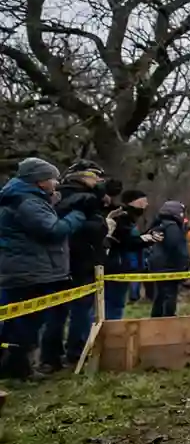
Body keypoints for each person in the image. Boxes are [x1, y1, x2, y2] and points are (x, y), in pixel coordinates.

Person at [0, 158, 89, 379]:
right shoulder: (27, 203)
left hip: (26, 269)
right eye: (52, 179)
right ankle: (19, 368)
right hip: (28, 272)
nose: (56, 183)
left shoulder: (25, 199)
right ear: (39, 181)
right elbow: (52, 230)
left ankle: (14, 365)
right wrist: (78, 215)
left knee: (20, 321)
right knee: (26, 323)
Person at [41, 160, 110, 369]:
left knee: (57, 311)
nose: (99, 181)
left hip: (61, 260)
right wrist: (103, 223)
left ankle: (50, 357)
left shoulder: (57, 196)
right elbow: (92, 229)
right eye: (96, 176)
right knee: (80, 310)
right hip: (80, 260)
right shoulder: (84, 199)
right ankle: (76, 352)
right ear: (82, 176)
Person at [103, 189, 152, 320]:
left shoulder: (130, 220)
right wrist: (144, 240)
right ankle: (112, 326)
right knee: (114, 303)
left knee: (116, 302)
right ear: (132, 202)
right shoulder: (121, 219)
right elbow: (125, 242)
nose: (146, 205)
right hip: (116, 266)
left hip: (125, 265)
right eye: (143, 202)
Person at [147, 200, 190, 317]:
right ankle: (168, 318)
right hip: (170, 266)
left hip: (159, 265)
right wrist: (184, 263)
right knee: (169, 294)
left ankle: (156, 318)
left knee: (160, 294)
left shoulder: (159, 225)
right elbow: (176, 246)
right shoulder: (172, 227)